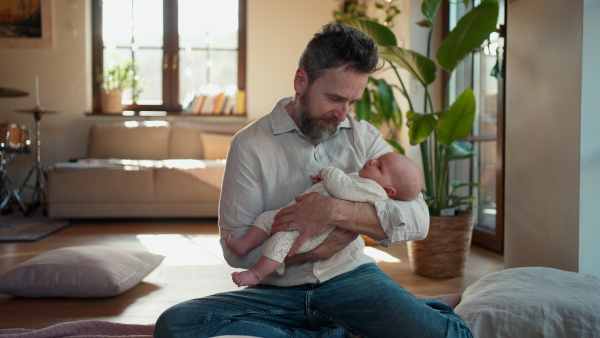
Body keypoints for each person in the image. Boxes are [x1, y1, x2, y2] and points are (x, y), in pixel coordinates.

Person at [155, 22, 472, 338]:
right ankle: (342, 331)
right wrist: (311, 253)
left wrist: (334, 212)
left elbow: (419, 219)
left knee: (450, 335)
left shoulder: (364, 139)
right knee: (176, 325)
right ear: (300, 80)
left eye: (352, 103)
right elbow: (235, 251)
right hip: (276, 293)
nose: (343, 114)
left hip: (354, 280)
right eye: (335, 98)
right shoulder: (249, 144)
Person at [226, 152, 424, 287]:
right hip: (293, 214)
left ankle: (256, 274)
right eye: (377, 159)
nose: (372, 161)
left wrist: (328, 172)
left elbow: (342, 187)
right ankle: (245, 244)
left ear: (388, 190)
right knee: (266, 218)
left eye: (379, 166)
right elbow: (343, 186)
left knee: (280, 241)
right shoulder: (366, 179)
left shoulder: (374, 190)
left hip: (313, 234)